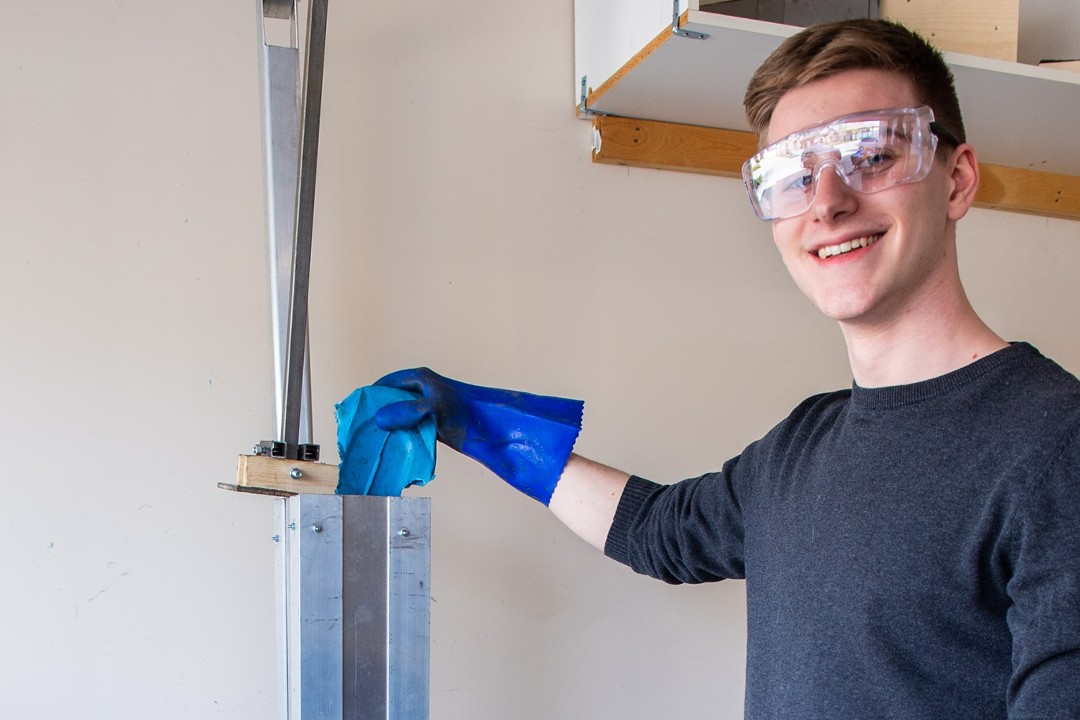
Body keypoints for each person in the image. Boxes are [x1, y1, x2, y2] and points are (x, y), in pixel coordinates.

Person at [373, 19, 1080, 720]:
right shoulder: (805, 444)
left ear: (956, 181)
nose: (828, 201)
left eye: (870, 154)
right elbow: (660, 530)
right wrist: (477, 424)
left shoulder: (1055, 444)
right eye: (793, 177)